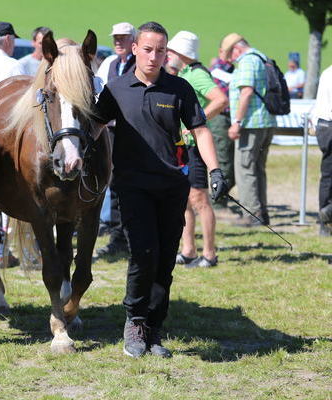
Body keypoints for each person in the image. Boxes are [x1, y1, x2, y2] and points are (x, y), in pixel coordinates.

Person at [94, 22, 227, 359]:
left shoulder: (179, 88)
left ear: (167, 52)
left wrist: (215, 170)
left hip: (172, 186)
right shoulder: (116, 89)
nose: (154, 56)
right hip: (132, 186)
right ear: (135, 48)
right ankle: (134, 323)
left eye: (161, 50)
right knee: (143, 254)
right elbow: (93, 128)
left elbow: (200, 130)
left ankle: (154, 329)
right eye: (148, 49)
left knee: (165, 259)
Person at [166, 30, 228, 269]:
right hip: (186, 147)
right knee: (185, 200)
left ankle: (210, 254)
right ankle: (189, 249)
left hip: (196, 147)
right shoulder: (186, 73)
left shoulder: (196, 75)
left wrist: (196, 122)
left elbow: (220, 99)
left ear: (181, 53)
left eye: (170, 51)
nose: (167, 55)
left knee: (200, 200)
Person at [222, 33, 276, 226]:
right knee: (258, 169)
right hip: (266, 122)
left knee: (245, 169)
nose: (231, 59)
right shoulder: (262, 58)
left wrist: (237, 121)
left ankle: (251, 216)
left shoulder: (246, 62)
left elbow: (246, 92)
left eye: (231, 55)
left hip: (251, 124)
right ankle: (262, 213)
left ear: (237, 48)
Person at [95, 22, 136, 258]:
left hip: (132, 131)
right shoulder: (110, 63)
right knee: (113, 181)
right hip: (111, 130)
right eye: (116, 38)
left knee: (129, 180)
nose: (118, 42)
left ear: (133, 40)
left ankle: (128, 234)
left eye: (123, 38)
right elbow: (99, 91)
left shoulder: (138, 64)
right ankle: (118, 235)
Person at [209, 46, 236, 211]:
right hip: (221, 118)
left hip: (229, 118)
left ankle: (219, 198)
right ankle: (218, 204)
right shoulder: (218, 70)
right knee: (224, 160)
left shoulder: (231, 69)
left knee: (231, 163)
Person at [311, 64, 332, 236]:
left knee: (327, 176)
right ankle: (329, 211)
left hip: (323, 125)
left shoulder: (327, 72)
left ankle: (324, 222)